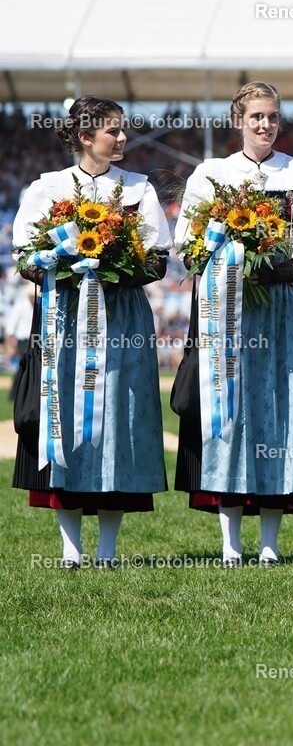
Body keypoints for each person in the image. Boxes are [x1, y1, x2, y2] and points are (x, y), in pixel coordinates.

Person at [174, 81, 293, 567]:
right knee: (230, 406)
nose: (265, 125)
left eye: (272, 116)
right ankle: (229, 543)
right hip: (227, 304)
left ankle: (269, 542)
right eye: (256, 117)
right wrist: (231, 262)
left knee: (281, 408)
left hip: (283, 303)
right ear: (238, 121)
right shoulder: (211, 173)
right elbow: (188, 241)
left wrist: (287, 267)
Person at [12, 95, 170, 569]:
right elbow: (26, 257)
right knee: (64, 414)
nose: (122, 138)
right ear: (85, 136)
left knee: (118, 418)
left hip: (122, 318)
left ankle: (107, 550)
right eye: (113, 131)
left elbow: (158, 261)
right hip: (64, 318)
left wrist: (108, 269)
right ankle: (68, 549)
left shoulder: (138, 187)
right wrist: (68, 265)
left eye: (123, 130)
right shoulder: (47, 187)